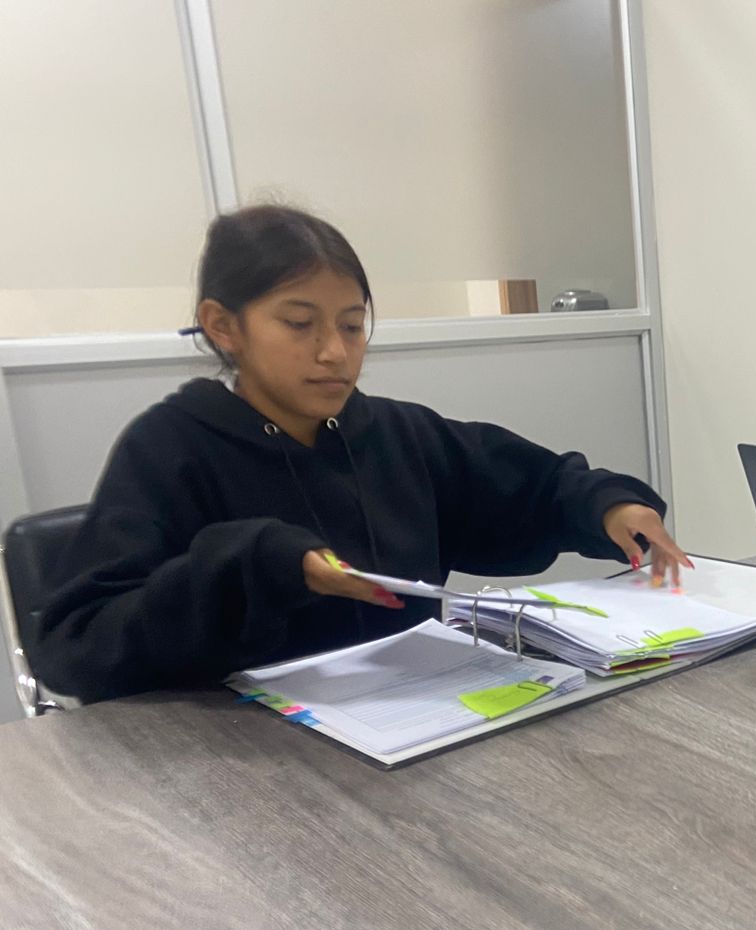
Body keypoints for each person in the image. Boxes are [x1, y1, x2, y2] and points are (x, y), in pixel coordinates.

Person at [33, 204, 689, 703]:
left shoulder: (394, 434)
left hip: (420, 726)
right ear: (223, 325)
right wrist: (254, 565)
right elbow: (77, 645)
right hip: (247, 766)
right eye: (299, 324)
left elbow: (532, 488)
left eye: (352, 325)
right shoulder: (169, 449)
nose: (334, 352)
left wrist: (607, 506)